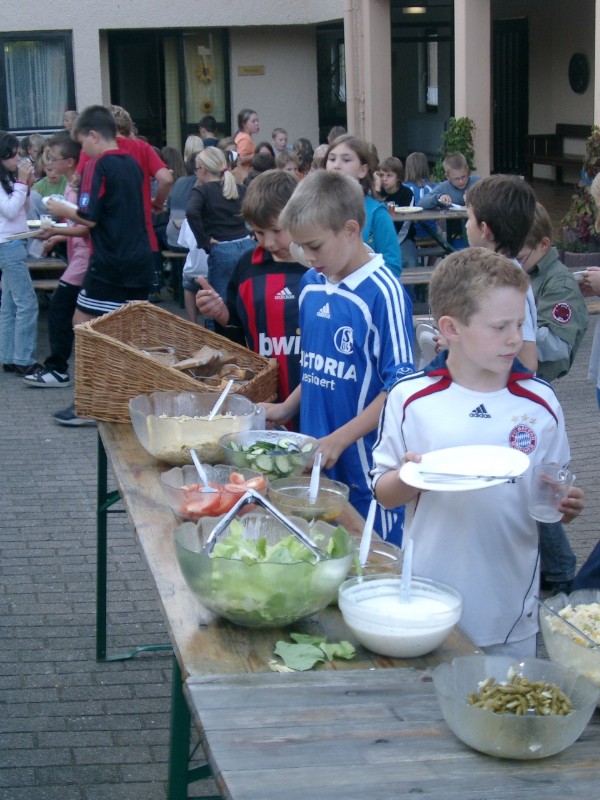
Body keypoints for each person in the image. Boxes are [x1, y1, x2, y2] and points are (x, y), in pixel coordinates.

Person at [371, 248, 584, 656]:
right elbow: (383, 493)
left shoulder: (540, 403)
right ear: (450, 328)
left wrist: (566, 505)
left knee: (506, 696)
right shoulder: (410, 398)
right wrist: (409, 477)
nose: (515, 338)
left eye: (521, 323)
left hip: (511, 607)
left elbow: (552, 495)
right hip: (427, 600)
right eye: (500, 327)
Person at [261, 170, 414, 544]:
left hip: (365, 470)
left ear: (350, 230)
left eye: (315, 246)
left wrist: (340, 439)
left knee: (371, 561)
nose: (308, 258)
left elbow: (400, 389)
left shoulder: (384, 293)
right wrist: (286, 407)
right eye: (301, 248)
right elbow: (318, 367)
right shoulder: (311, 284)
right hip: (317, 461)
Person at [46, 105, 154, 425]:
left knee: (83, 325)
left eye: (82, 143)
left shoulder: (98, 164)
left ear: (93, 136)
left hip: (110, 262)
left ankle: (91, 404)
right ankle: (126, 400)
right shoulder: (131, 163)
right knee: (126, 335)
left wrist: (60, 209)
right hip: (139, 260)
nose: (82, 152)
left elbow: (89, 217)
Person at [518, 203, 589, 595]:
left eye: (522, 253)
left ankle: (561, 569)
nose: (517, 260)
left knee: (540, 485)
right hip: (522, 386)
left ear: (544, 245)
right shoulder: (529, 274)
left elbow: (559, 347)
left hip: (539, 389)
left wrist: (513, 332)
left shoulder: (557, 282)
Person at [195, 169, 306, 407]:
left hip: (314, 394)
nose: (269, 242)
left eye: (277, 230)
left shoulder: (319, 268)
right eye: (259, 232)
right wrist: (221, 314)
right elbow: (237, 335)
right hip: (264, 396)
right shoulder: (247, 268)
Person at [23, 132, 90, 391]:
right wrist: (56, 235)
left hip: (85, 260)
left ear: (69, 161)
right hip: (78, 258)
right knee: (71, 313)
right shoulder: (73, 184)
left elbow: (88, 224)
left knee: (61, 310)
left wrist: (56, 230)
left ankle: (59, 369)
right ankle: (63, 368)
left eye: (53, 158)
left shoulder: (81, 184)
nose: (49, 163)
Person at [464, 174, 538, 372]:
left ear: (484, 229)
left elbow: (528, 361)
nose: (466, 225)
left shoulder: (508, 284)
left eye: (469, 218)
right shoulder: (493, 275)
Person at [185, 146, 255, 329]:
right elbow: (254, 208)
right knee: (246, 299)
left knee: (216, 304)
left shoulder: (202, 191)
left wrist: (204, 240)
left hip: (222, 248)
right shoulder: (240, 188)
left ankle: (218, 340)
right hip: (247, 245)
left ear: (203, 169)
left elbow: (191, 212)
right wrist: (254, 233)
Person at [324, 134, 401, 276]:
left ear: (363, 170)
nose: (336, 165)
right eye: (332, 159)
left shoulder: (377, 213)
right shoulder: (318, 209)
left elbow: (392, 265)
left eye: (346, 159)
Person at [0, 132, 40, 376]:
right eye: (12, 155)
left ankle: (8, 356)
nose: (17, 159)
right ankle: (24, 359)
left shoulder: (8, 179)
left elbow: (22, 208)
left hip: (13, 242)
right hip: (9, 245)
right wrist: (22, 184)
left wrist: (26, 187)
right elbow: (9, 210)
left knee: (9, 304)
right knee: (27, 303)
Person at [420, 152, 480, 249]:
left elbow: (492, 199)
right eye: (456, 179)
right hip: (456, 235)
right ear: (447, 176)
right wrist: (438, 198)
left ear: (468, 170)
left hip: (480, 233)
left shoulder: (477, 182)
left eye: (464, 176)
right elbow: (422, 203)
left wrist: (475, 199)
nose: (461, 181)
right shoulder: (444, 187)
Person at [376, 156, 416, 269]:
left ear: (398, 177)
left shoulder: (407, 194)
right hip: (379, 237)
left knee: (409, 260)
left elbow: (406, 224)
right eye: (381, 175)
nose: (384, 179)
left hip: (402, 237)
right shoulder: (376, 193)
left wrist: (393, 241)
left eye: (389, 175)